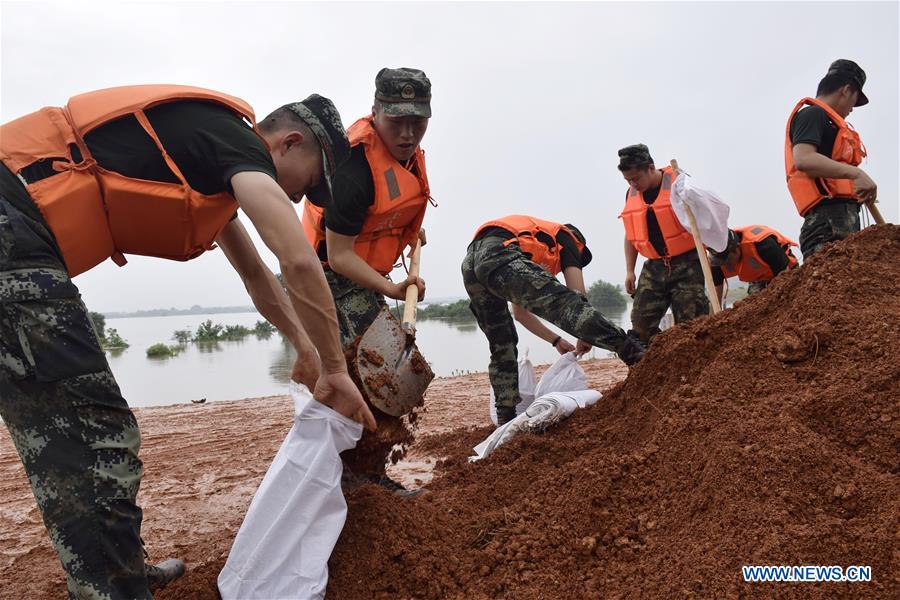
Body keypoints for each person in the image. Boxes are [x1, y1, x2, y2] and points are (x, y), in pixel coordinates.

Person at [0, 84, 375, 599]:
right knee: (95, 436)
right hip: (11, 233)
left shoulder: (207, 160)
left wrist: (306, 350)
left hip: (17, 238)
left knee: (65, 434)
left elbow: (258, 277)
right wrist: (335, 369)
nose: (297, 199)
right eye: (308, 184)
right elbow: (297, 259)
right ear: (289, 144)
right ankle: (114, 589)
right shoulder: (239, 146)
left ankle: (115, 574)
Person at [462, 215, 645, 426]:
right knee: (564, 304)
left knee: (501, 342)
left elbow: (520, 314)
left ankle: (506, 415)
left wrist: (556, 341)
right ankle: (634, 353)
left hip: (471, 262)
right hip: (498, 252)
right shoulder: (567, 238)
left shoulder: (527, 246)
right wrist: (584, 333)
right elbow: (575, 298)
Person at [302, 67, 433, 347]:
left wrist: (409, 232)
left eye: (417, 122)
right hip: (326, 277)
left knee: (388, 364)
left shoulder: (401, 153)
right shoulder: (354, 169)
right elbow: (339, 256)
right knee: (377, 364)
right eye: (397, 122)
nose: (408, 134)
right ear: (376, 111)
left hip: (362, 272)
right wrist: (390, 288)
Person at [618, 144, 711, 343]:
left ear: (651, 168)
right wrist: (629, 270)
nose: (633, 184)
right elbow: (631, 233)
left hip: (688, 263)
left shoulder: (680, 184)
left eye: (636, 178)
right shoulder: (631, 194)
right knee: (640, 327)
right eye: (628, 180)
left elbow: (707, 217)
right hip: (655, 266)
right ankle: (659, 362)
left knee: (692, 326)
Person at [785, 59, 876, 258]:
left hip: (845, 220)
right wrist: (856, 173)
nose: (853, 108)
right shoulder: (813, 114)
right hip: (825, 225)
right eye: (855, 99)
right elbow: (804, 159)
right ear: (845, 90)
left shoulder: (832, 124)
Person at [708, 225, 799, 296]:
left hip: (786, 270)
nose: (725, 265)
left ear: (735, 250)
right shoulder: (718, 260)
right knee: (755, 303)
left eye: (726, 260)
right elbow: (716, 295)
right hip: (758, 277)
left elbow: (786, 278)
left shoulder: (763, 245)